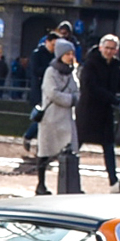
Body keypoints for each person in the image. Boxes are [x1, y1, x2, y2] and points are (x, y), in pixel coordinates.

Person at [78, 33, 120, 188]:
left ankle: (113, 181)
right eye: (107, 48)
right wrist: (112, 98)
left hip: (105, 112)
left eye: (112, 49)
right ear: (101, 48)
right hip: (88, 111)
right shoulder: (90, 64)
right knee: (76, 145)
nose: (109, 51)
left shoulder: (115, 66)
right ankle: (69, 173)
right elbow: (90, 87)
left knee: (109, 146)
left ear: (116, 50)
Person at [36, 40, 79, 194]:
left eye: (71, 53)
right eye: (67, 54)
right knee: (45, 153)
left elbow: (76, 90)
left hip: (67, 119)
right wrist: (70, 99)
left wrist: (74, 98)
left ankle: (70, 185)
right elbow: (52, 93)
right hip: (51, 119)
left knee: (70, 152)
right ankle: (41, 185)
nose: (70, 56)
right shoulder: (50, 72)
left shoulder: (71, 72)